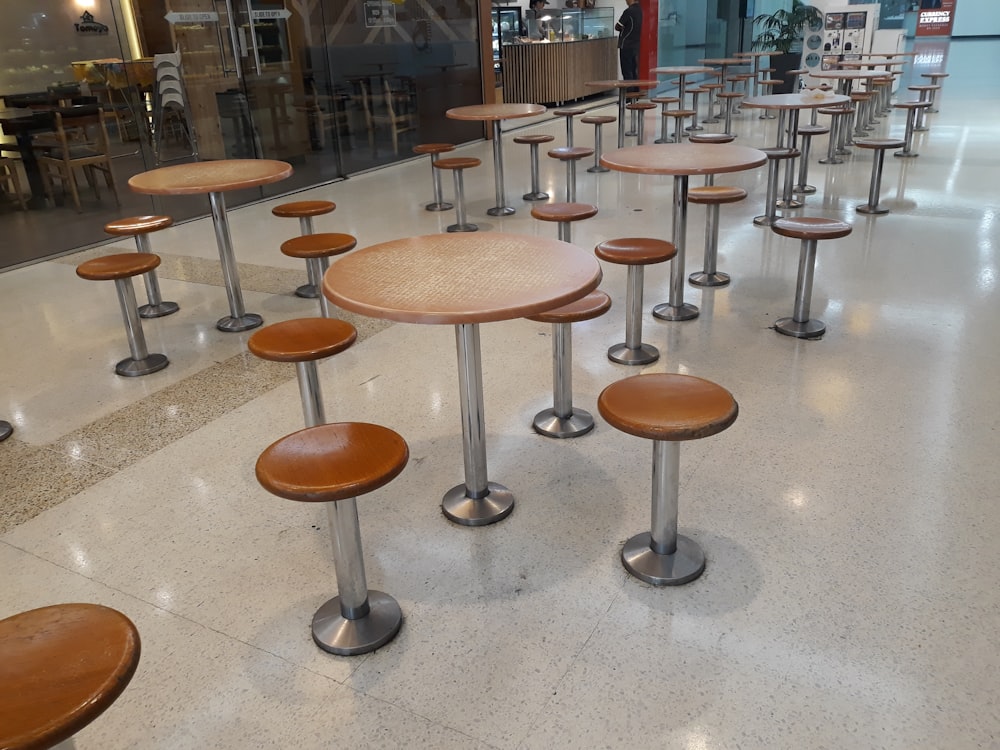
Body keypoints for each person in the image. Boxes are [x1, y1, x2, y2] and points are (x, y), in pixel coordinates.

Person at [616, 0, 642, 83]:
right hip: (636, 44)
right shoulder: (640, 11)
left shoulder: (628, 11)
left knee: (627, 71)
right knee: (634, 70)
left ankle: (629, 93)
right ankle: (635, 90)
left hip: (626, 44)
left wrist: (624, 28)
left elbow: (618, 26)